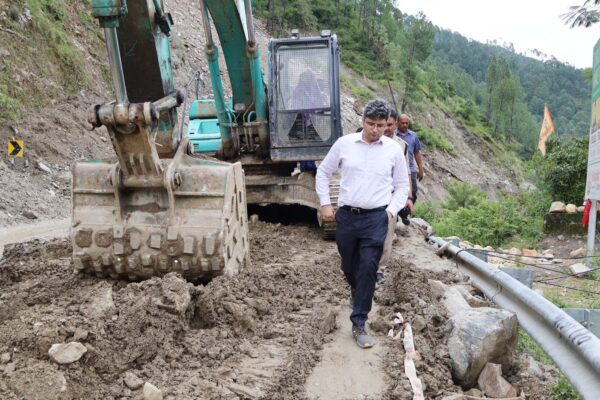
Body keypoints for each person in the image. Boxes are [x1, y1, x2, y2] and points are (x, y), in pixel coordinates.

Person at [316, 99, 409, 348]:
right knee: (349, 265)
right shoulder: (344, 144)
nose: (375, 130)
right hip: (347, 216)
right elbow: (323, 172)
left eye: (380, 125)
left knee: (369, 266)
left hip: (376, 218)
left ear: (386, 124)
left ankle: (359, 323)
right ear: (362, 121)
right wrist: (325, 204)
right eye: (370, 124)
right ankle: (358, 291)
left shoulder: (393, 150)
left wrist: (390, 212)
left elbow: (402, 186)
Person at [378, 109, 414, 283]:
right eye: (384, 124)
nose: (386, 128)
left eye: (390, 125)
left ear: (395, 125)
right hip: (370, 194)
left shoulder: (401, 145)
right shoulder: (370, 139)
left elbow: (405, 173)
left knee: (387, 233)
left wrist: (409, 197)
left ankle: (380, 269)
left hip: (391, 195)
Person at [395, 114, 424, 203]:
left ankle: (408, 209)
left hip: (411, 170)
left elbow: (417, 152)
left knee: (413, 193)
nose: (405, 125)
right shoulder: (393, 135)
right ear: (397, 123)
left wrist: (420, 168)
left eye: (406, 123)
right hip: (397, 169)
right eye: (402, 123)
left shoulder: (413, 136)